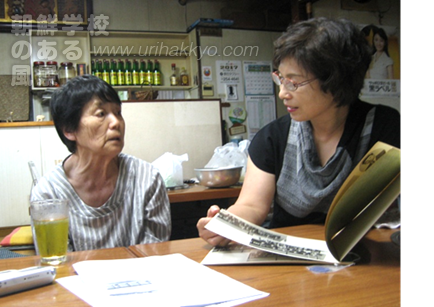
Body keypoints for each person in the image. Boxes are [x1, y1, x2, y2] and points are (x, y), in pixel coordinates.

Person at [197, 18, 401, 247]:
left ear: (335, 79)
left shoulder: (385, 127)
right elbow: (252, 206)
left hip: (370, 258)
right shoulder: (272, 138)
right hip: (290, 265)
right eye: (280, 79)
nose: (283, 93)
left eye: (293, 82)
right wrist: (226, 224)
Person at [31, 75, 171, 251]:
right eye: (101, 114)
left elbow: (155, 253)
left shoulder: (147, 178)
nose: (116, 122)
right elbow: (58, 265)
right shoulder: (48, 194)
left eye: (118, 113)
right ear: (69, 129)